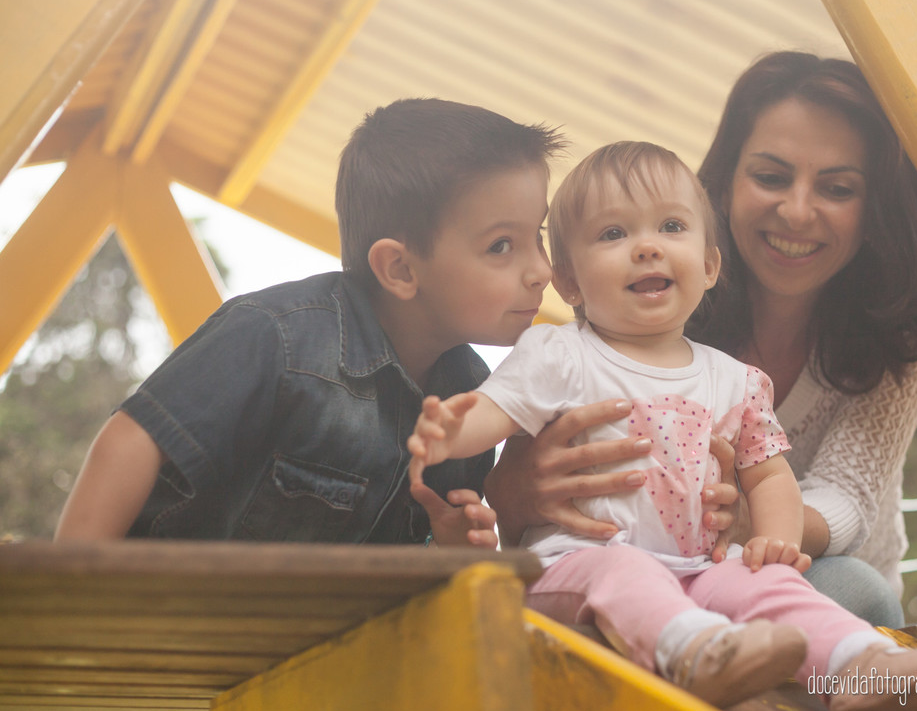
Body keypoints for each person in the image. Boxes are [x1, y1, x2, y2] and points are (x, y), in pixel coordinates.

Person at [408, 141, 917, 711]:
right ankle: (695, 651)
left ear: (708, 266)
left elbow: (769, 472)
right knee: (624, 572)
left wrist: (777, 547)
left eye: (671, 227)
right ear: (570, 282)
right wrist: (450, 431)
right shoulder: (562, 354)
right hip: (573, 567)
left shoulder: (734, 380)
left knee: (770, 589)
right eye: (612, 235)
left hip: (697, 568)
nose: (646, 245)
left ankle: (863, 665)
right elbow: (496, 409)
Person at [485, 53, 917, 628]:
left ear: (876, 205)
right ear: (725, 185)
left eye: (837, 188)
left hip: (804, 570)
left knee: (852, 590)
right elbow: (514, 491)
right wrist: (515, 490)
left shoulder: (903, 322)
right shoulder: (650, 298)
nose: (797, 210)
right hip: (634, 569)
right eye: (770, 177)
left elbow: (849, 495)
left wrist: (757, 522)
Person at [55, 98, 563, 548]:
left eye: (537, 237)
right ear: (401, 269)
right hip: (167, 633)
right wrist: (71, 604)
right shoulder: (276, 335)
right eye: (502, 246)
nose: (542, 270)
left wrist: (454, 548)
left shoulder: (473, 398)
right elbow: (129, 442)